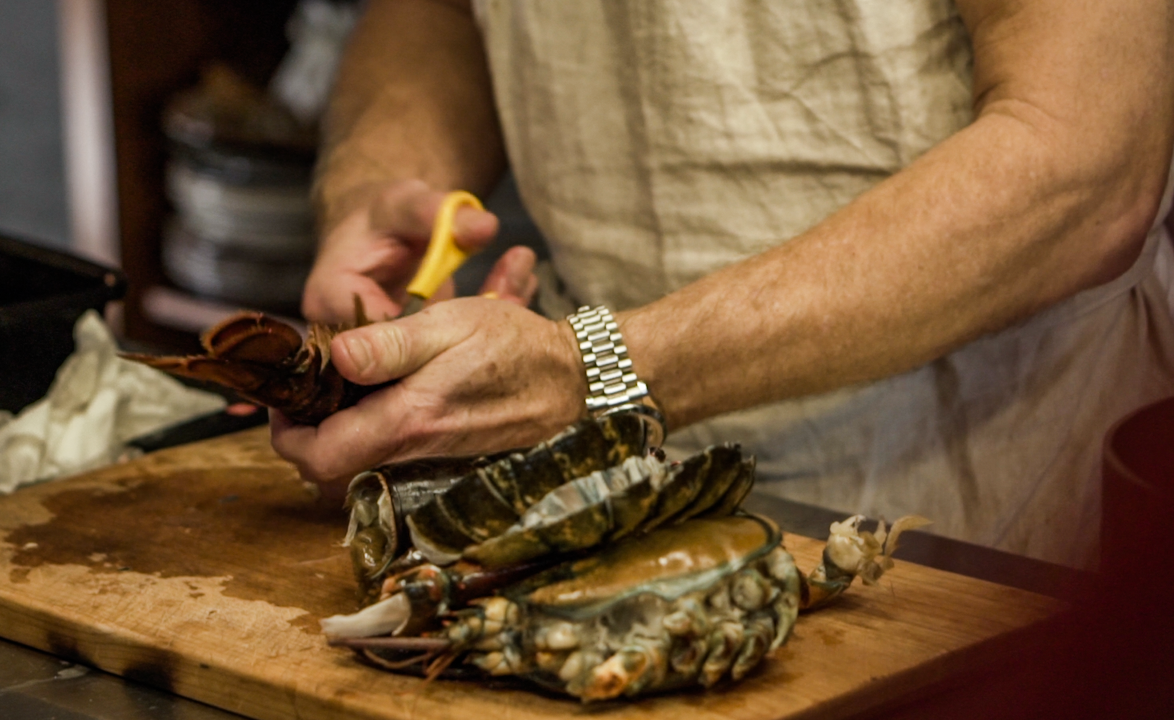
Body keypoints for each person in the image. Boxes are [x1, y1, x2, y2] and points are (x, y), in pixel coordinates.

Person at [271, 0, 1174, 569]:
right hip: (586, 491)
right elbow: (438, 16)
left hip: (972, 505)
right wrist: (377, 175)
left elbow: (1083, 168)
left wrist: (595, 370)